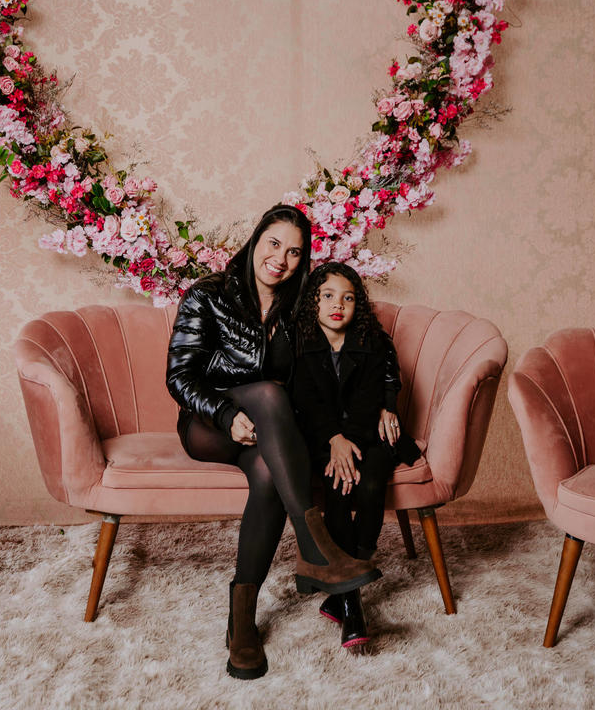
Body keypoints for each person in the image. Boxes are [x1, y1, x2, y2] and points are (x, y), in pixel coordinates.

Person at [165, 204, 383, 680]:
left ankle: (241, 620)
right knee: (267, 392)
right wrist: (226, 415)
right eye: (274, 243)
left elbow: (350, 354)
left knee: (266, 472)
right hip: (208, 424)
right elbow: (179, 377)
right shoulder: (209, 295)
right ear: (256, 239)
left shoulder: (299, 308)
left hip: (269, 435)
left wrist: (381, 404)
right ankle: (312, 544)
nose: (281, 259)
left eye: (294, 252)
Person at [289, 262, 421, 649]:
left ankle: (349, 586)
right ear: (313, 301)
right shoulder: (298, 341)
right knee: (338, 485)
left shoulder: (370, 339)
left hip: (367, 434)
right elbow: (304, 403)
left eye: (348, 298)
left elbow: (374, 393)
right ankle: (351, 601)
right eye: (328, 296)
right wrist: (334, 439)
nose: (338, 305)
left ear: (357, 305)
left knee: (372, 482)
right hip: (320, 438)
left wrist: (355, 437)